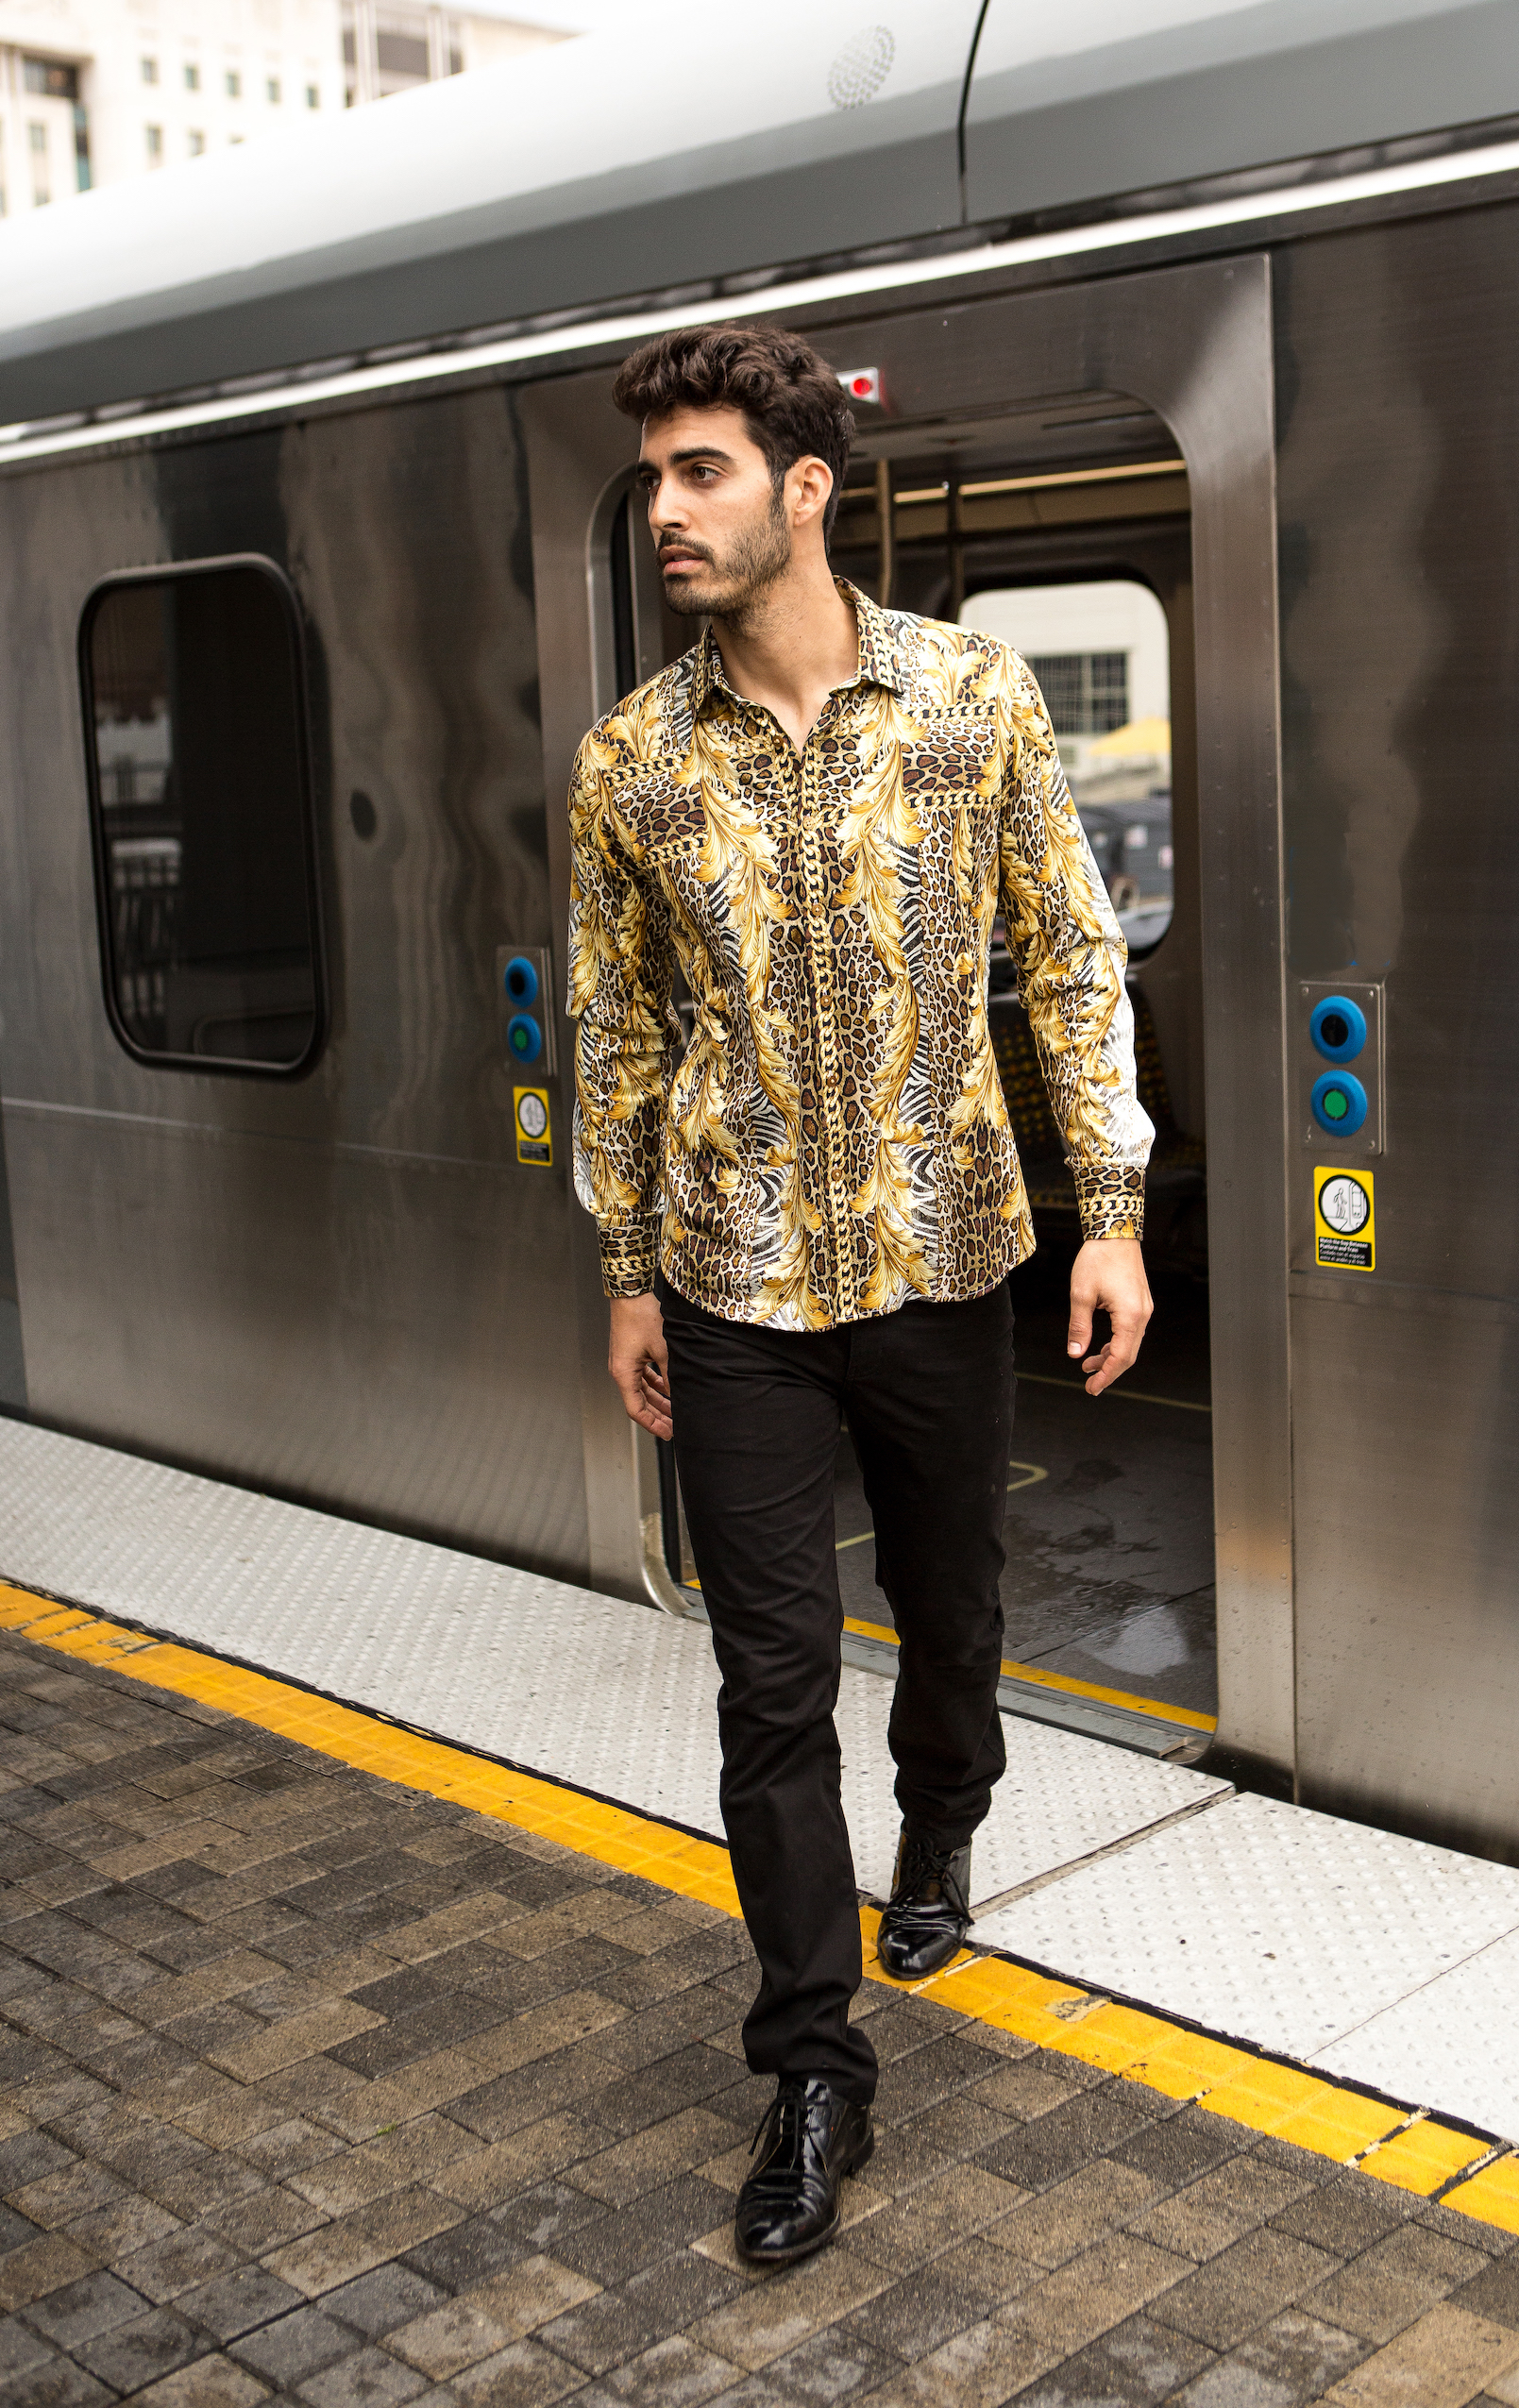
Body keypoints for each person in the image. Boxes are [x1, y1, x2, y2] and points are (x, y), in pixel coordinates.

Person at [566, 323, 1155, 2265]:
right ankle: (816, 2065)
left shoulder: (973, 702)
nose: (668, 506)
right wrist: (631, 1267)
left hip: (941, 1263)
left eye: (704, 469)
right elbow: (620, 1030)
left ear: (806, 490)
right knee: (764, 1684)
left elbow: (1069, 962)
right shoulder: (631, 765)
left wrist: (1113, 1211)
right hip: (734, 1286)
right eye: (657, 475)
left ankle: (950, 1814)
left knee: (956, 1602)